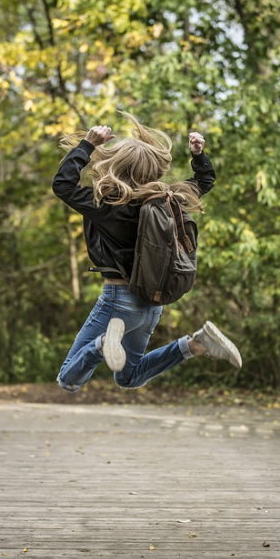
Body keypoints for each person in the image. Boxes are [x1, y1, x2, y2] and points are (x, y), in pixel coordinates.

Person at [52, 112, 242, 393]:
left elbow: (63, 185)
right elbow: (204, 183)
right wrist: (198, 156)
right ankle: (196, 343)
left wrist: (88, 145)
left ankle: (104, 344)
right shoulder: (169, 200)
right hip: (151, 305)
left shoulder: (105, 203)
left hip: (118, 303)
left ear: (116, 164)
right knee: (129, 377)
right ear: (153, 168)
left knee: (68, 379)